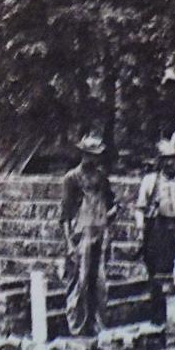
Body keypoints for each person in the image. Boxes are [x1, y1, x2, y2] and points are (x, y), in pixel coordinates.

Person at [134, 138, 175, 325]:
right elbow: (139, 208)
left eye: (174, 158)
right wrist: (140, 231)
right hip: (157, 232)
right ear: (161, 161)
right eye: (167, 159)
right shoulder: (150, 181)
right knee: (157, 278)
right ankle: (158, 318)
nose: (171, 163)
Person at [60, 132, 117, 337]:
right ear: (84, 154)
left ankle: (98, 326)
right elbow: (65, 214)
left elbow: (110, 204)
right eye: (92, 155)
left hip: (99, 232)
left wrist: (110, 218)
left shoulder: (102, 178)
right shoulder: (72, 178)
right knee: (79, 283)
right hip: (80, 234)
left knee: (99, 283)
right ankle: (77, 328)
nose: (95, 159)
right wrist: (69, 244)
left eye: (97, 155)